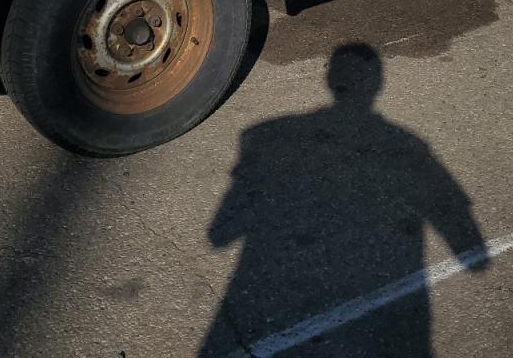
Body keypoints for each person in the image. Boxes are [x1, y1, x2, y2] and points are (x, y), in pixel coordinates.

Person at [199, 43, 487, 357]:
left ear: (330, 81)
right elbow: (449, 205)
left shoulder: (265, 135)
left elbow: (219, 235)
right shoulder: (406, 143)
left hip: (262, 305)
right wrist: (470, 249)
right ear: (377, 85)